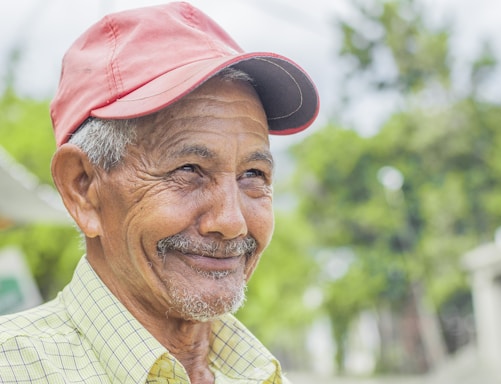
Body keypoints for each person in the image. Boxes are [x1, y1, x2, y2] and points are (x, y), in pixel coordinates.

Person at [0, 2, 319, 383]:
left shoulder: (258, 373)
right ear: (83, 188)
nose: (231, 223)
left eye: (253, 174)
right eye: (189, 171)